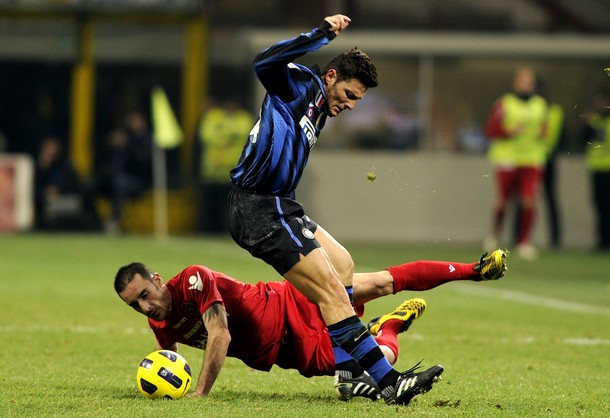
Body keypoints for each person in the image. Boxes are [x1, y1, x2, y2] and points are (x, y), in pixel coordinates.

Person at [227, 13, 436, 404]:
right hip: (258, 207)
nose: (353, 105)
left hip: (280, 205)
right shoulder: (298, 84)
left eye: (359, 99)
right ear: (331, 76)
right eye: (351, 94)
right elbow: (262, 62)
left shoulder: (322, 107)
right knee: (334, 297)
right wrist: (320, 34)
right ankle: (390, 383)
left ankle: (346, 375)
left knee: (343, 266)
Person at [114, 249, 507, 402]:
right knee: (362, 372)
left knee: (379, 281)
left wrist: (200, 392)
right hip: (287, 351)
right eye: (136, 304)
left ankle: (474, 270)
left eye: (146, 294)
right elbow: (167, 360)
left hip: (288, 302)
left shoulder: (194, 280)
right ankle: (386, 327)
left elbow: (220, 332)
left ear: (159, 279)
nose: (145, 306)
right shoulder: (160, 322)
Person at [484, 66, 549, 260]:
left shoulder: (540, 105)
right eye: (523, 80)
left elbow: (545, 129)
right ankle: (495, 234)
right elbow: (491, 130)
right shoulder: (504, 103)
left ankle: (524, 242)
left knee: (529, 200)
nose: (527, 84)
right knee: (503, 201)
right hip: (508, 158)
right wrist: (508, 131)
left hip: (532, 159)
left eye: (530, 81)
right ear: (516, 83)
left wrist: (542, 134)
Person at [196, 100, 254, 234]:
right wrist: (229, 134)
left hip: (233, 172)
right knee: (209, 205)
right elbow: (207, 135)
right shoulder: (213, 117)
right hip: (211, 171)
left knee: (231, 206)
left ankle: (229, 232)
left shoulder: (244, 118)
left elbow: (243, 133)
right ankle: (206, 231)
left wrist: (222, 131)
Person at [95, 111, 153, 234]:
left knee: (120, 183)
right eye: (131, 121)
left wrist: (126, 144)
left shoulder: (147, 140)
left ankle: (114, 221)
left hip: (138, 183)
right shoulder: (125, 138)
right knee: (93, 184)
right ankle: (96, 221)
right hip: (116, 180)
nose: (133, 124)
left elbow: (141, 161)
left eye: (135, 121)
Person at [582, 90, 610, 251]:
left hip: (608, 168)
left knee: (607, 205)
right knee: (599, 204)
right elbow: (585, 139)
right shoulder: (596, 120)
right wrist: (587, 124)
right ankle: (602, 240)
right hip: (597, 167)